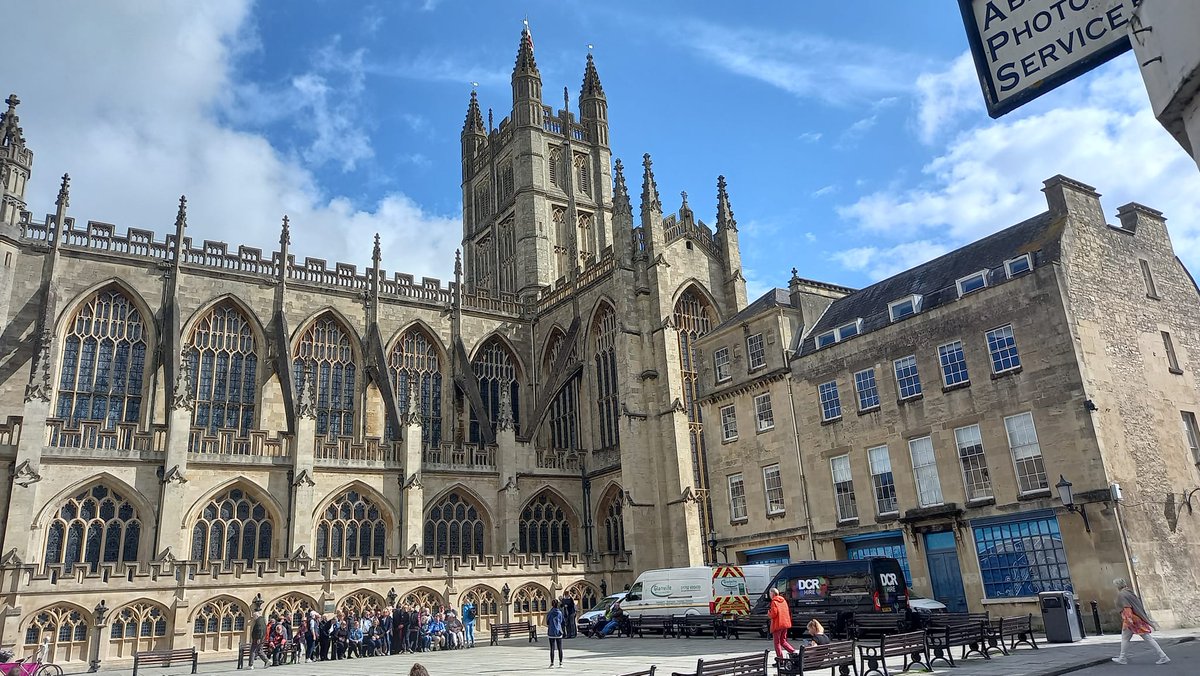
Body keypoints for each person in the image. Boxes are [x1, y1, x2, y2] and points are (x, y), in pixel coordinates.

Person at [1112, 578, 1170, 665]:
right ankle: (1122, 657)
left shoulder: (1122, 594)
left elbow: (1127, 608)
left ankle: (1163, 656)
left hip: (1132, 620)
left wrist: (1128, 621)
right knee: (1130, 638)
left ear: (1117, 586)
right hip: (1136, 619)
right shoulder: (1129, 592)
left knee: (1136, 638)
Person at [767, 588, 797, 659]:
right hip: (785, 623)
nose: (769, 595)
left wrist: (769, 613)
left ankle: (780, 659)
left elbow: (774, 614)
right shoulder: (783, 601)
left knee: (777, 643)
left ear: (773, 594)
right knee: (783, 641)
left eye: (770, 593)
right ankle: (793, 652)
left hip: (777, 624)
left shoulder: (774, 602)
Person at [546, 598, 565, 667]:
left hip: (551, 631)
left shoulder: (549, 613)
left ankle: (552, 663)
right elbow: (562, 621)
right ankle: (561, 663)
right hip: (558, 631)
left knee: (552, 648)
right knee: (560, 648)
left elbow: (547, 622)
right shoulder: (560, 613)